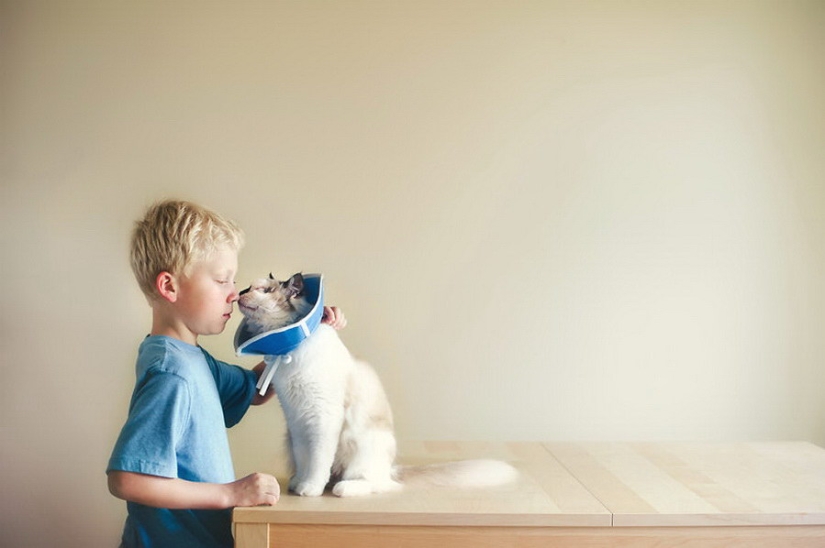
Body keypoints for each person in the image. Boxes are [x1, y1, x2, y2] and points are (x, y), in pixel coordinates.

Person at [107, 200, 346, 547]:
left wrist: (304, 330)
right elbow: (127, 479)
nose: (234, 294)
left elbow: (257, 389)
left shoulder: (191, 359)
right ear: (169, 287)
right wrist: (229, 494)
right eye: (221, 280)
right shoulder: (171, 374)